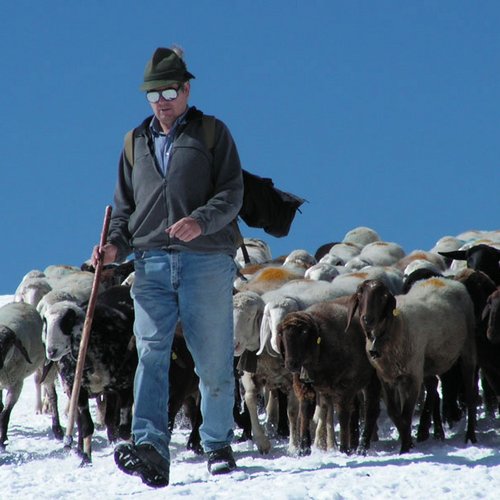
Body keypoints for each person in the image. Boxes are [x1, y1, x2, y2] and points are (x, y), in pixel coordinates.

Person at [91, 46, 243, 488]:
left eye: (171, 90)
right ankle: (150, 445)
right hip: (151, 264)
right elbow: (124, 210)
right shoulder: (133, 143)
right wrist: (114, 248)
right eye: (153, 92)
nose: (162, 99)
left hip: (207, 261)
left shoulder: (212, 134)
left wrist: (201, 221)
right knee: (151, 355)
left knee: (212, 362)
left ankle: (216, 443)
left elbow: (232, 193)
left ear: (187, 89)